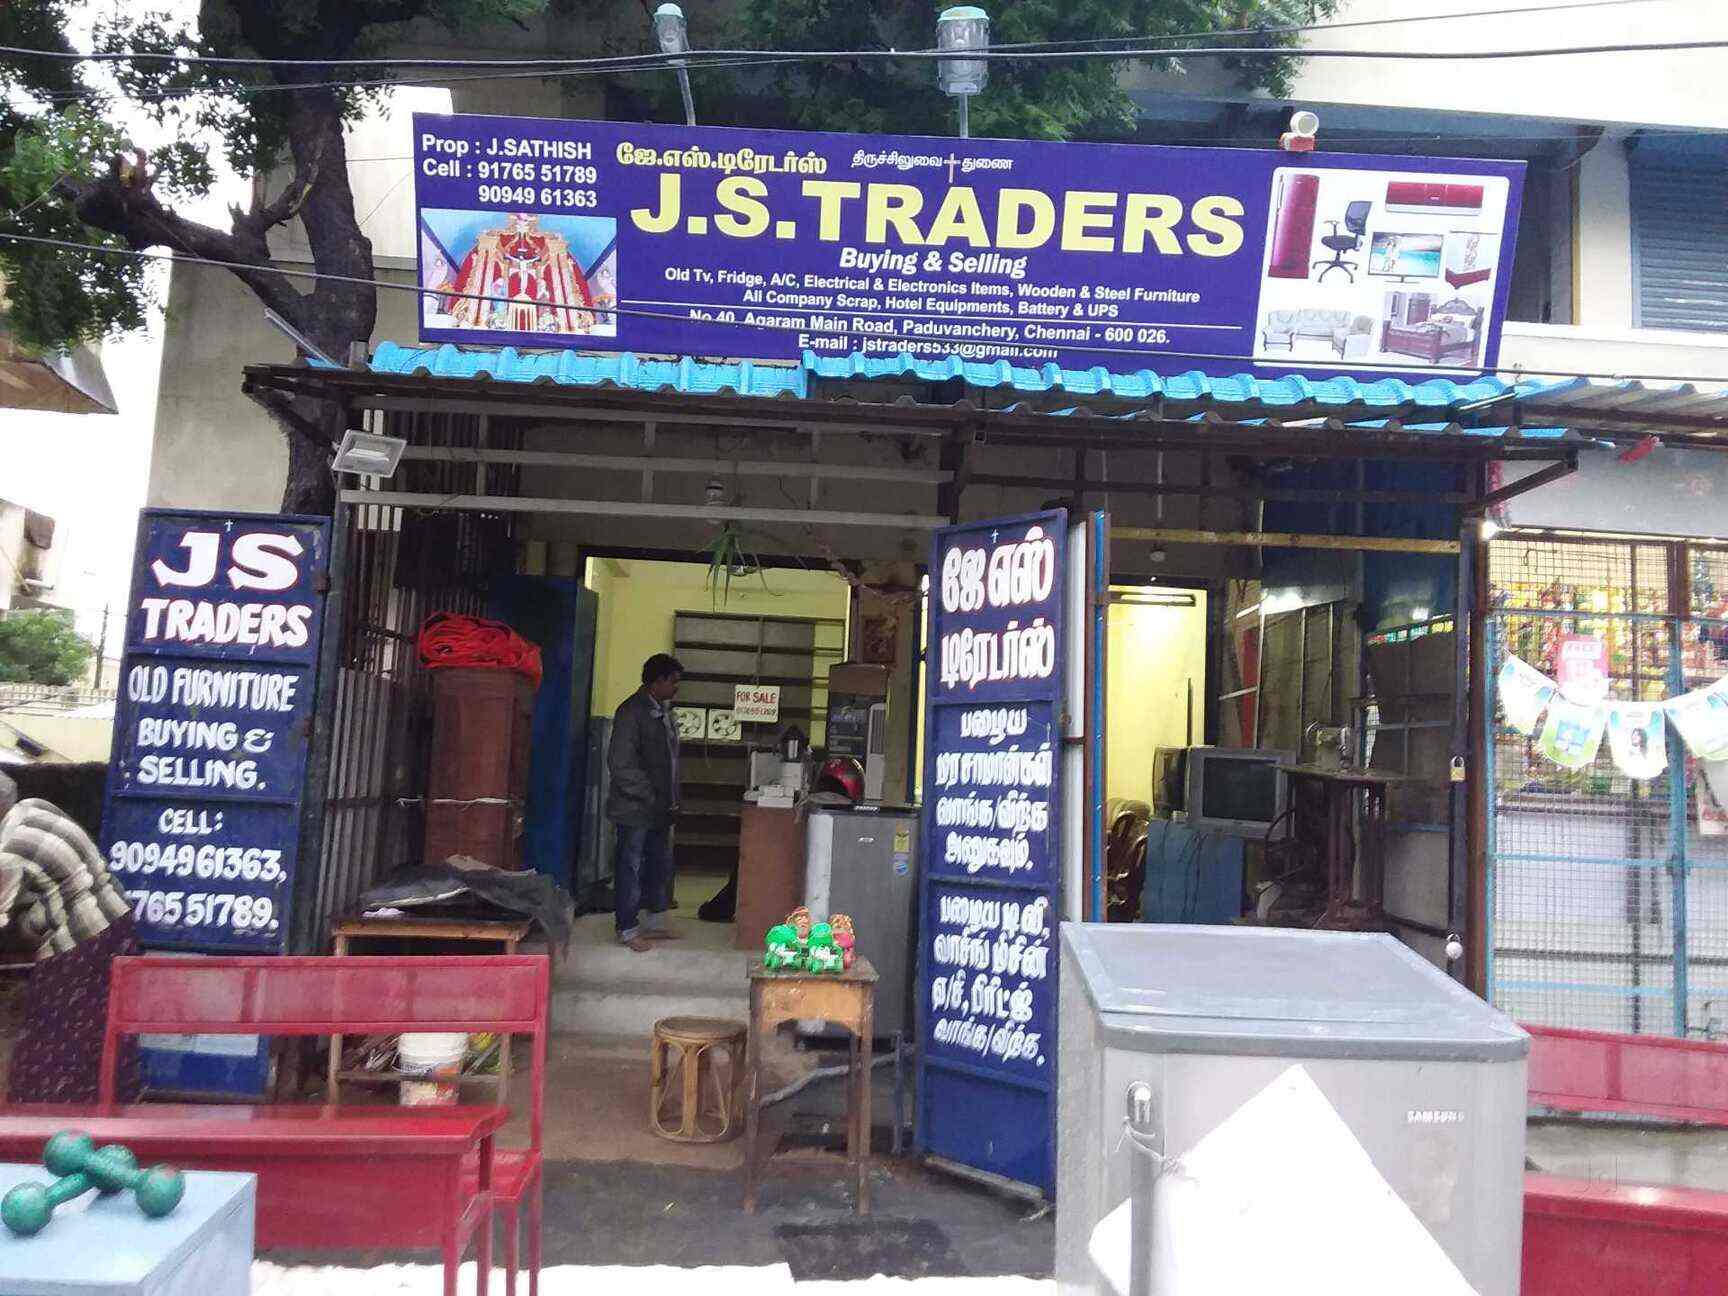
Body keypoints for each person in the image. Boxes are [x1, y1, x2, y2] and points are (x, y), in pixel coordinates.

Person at [607, 654, 685, 952]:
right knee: (630, 865)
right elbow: (620, 763)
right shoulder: (631, 712)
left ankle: (654, 921)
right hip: (635, 807)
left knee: (658, 863)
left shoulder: (663, 712)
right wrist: (649, 794)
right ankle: (627, 928)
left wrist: (671, 798)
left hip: (659, 807)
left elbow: (671, 762)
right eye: (674, 682)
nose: (677, 688)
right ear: (658, 681)